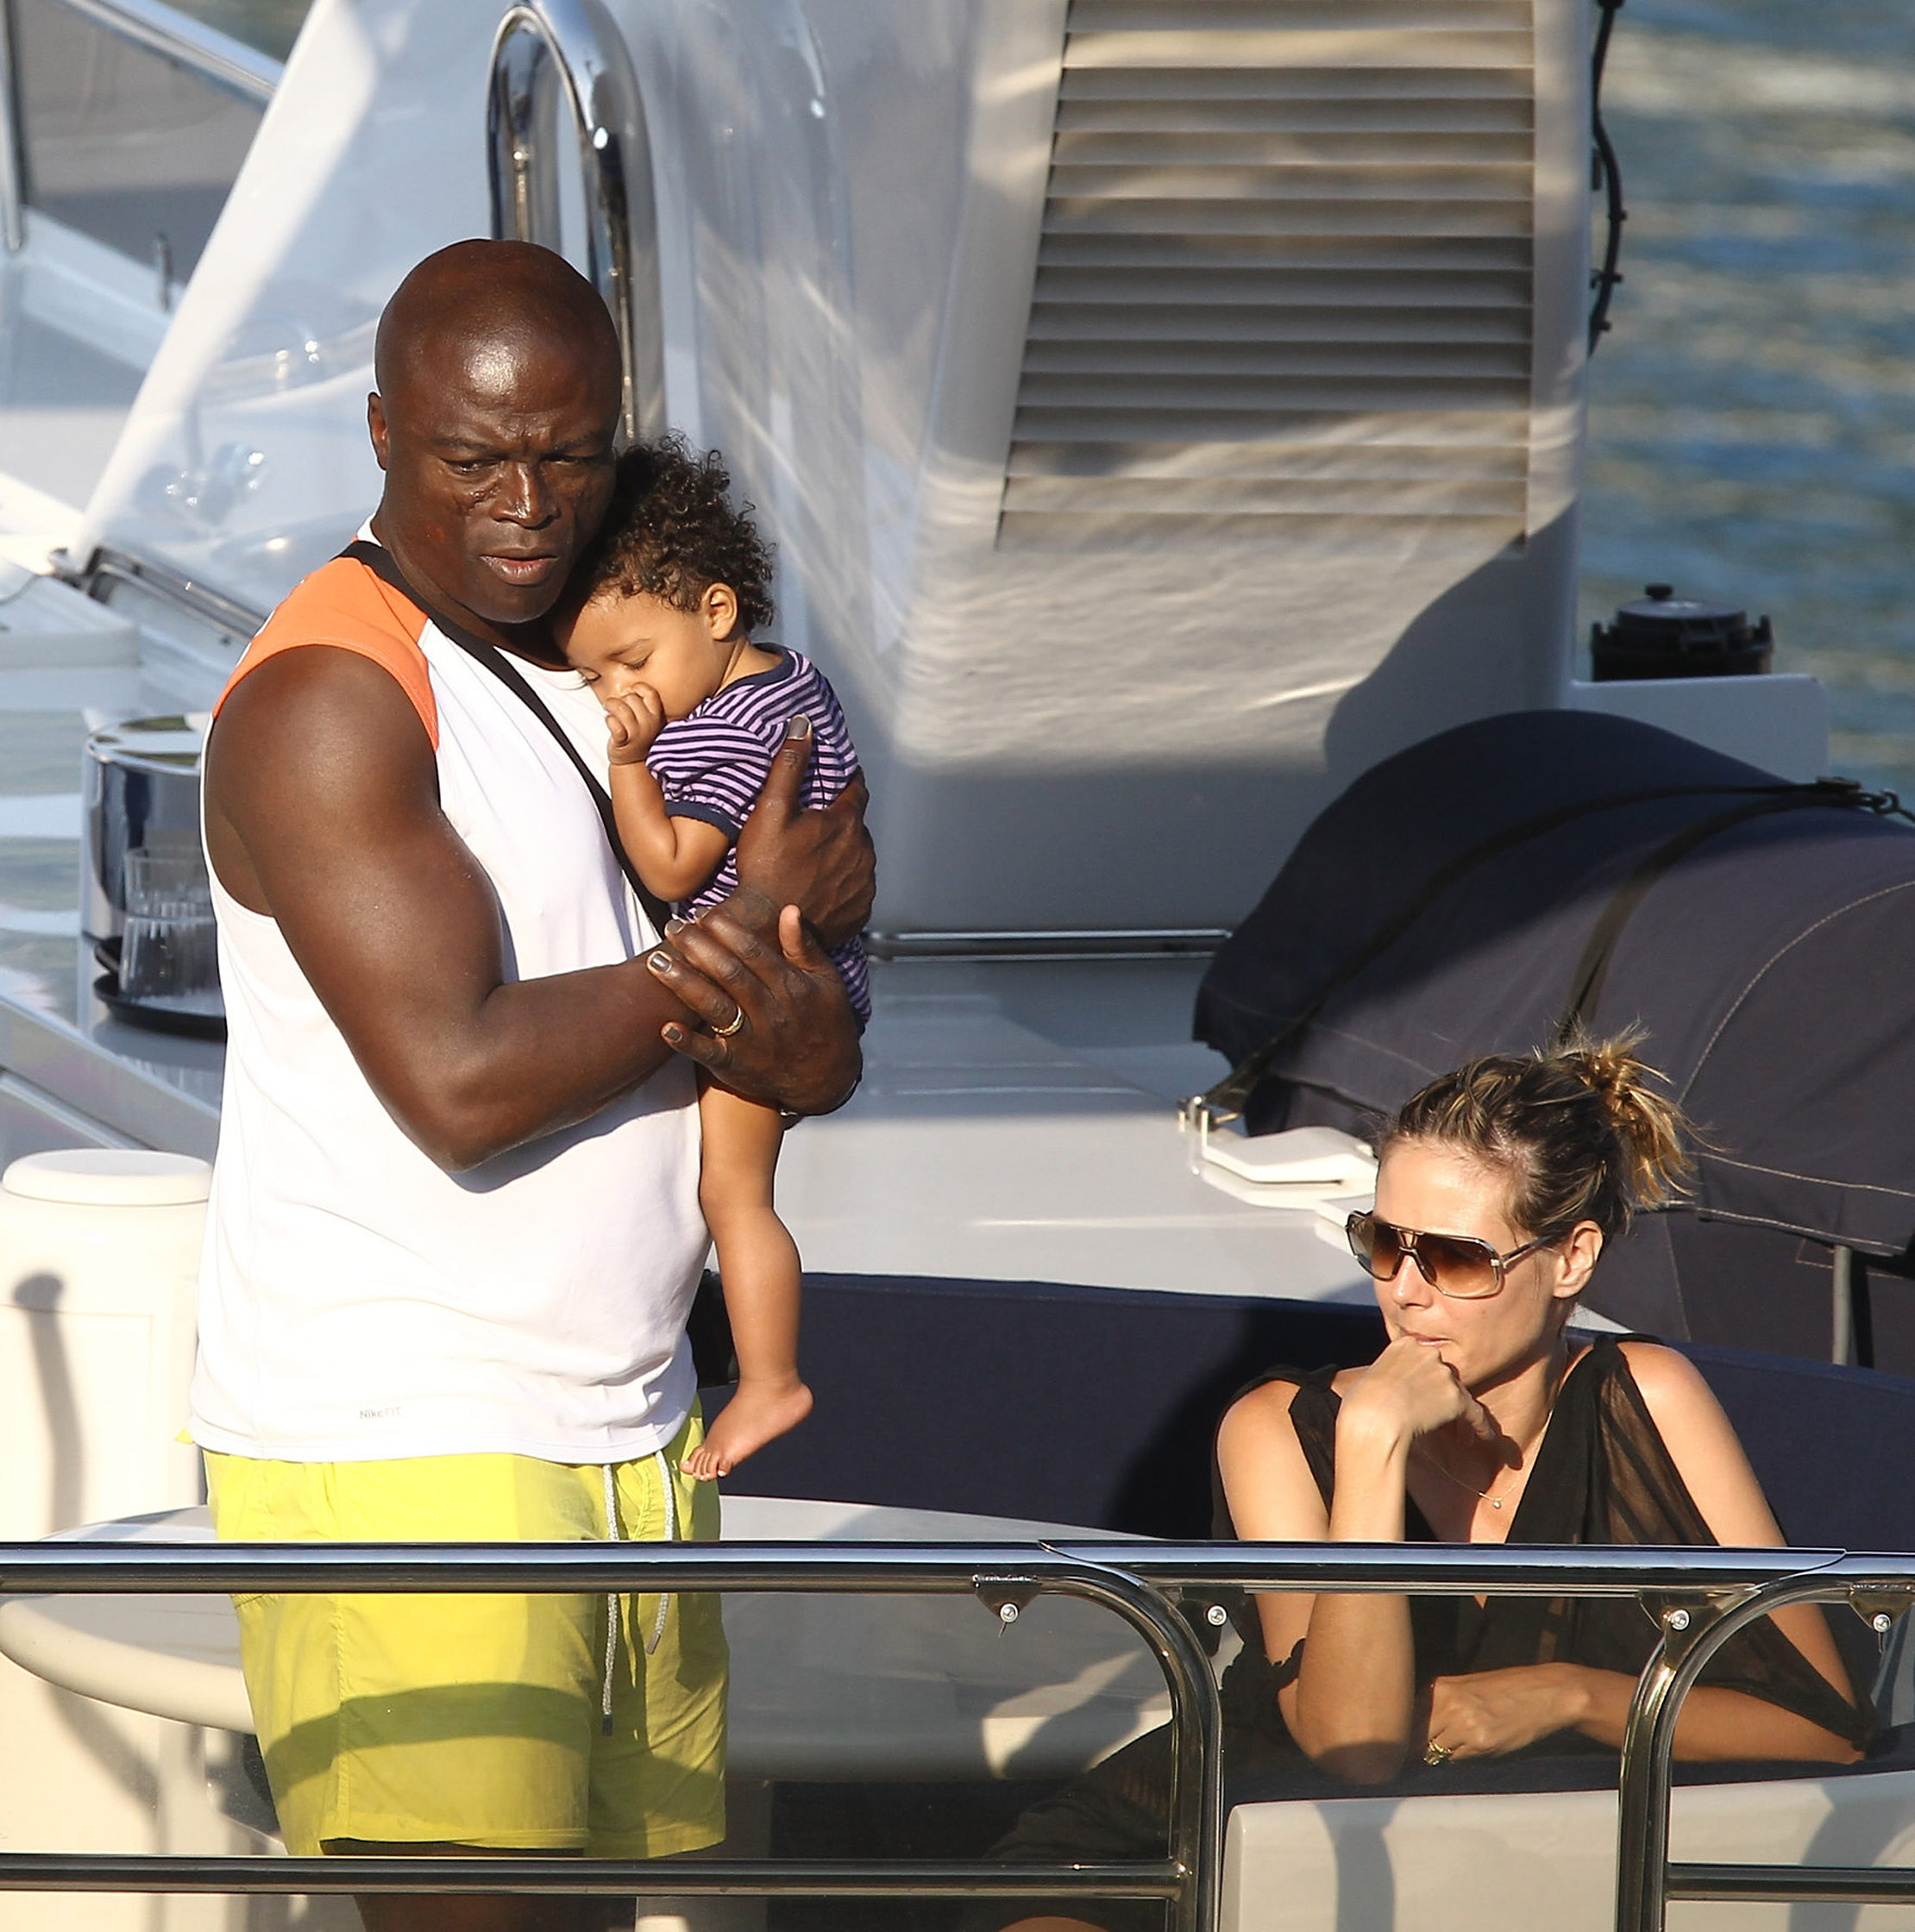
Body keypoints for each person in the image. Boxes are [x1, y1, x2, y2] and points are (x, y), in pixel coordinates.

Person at [191, 238, 873, 1932]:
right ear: (377, 431)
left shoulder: (608, 658)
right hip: (407, 1439)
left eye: (567, 456)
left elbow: (803, 1031)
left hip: (631, 1425)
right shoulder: (326, 704)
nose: (525, 500)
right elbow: (462, 1077)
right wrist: (732, 963)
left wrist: (790, 992)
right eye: (470, 455)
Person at [980, 1038, 1870, 1932]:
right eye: (1383, 1241)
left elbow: (1823, 1726)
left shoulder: (1647, 1397)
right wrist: (1372, 1442)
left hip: (1533, 1876)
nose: (1405, 1291)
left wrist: (1570, 1694)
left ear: (1571, 1259)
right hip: (1228, 1850)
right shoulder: (1279, 1427)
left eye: (1455, 1258)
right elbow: (1351, 1747)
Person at [555, 433, 868, 1481]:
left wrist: (632, 765)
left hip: (756, 996)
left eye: (632, 663)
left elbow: (673, 860)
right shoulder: (793, 680)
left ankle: (773, 1377)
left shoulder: (715, 733)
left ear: (717, 610)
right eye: (592, 675)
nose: (613, 693)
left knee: (736, 1198)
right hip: (806, 975)